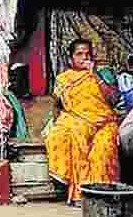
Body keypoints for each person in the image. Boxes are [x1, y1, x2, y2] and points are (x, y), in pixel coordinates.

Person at [46, 39, 121, 207]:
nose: (84, 58)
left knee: (103, 151)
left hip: (104, 123)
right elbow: (58, 106)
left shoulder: (103, 74)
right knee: (73, 136)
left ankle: (103, 197)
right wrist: (60, 122)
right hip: (78, 122)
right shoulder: (64, 79)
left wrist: (96, 76)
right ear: (71, 58)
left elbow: (114, 99)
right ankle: (80, 194)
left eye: (87, 54)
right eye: (79, 54)